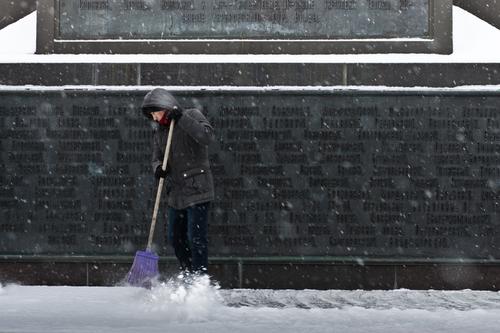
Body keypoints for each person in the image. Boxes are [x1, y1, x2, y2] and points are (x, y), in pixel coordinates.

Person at [141, 88, 215, 274]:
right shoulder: (160, 132)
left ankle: (199, 277)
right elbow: (156, 157)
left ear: (165, 105)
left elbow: (206, 136)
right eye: (151, 115)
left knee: (196, 238)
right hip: (176, 194)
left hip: (197, 190)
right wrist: (158, 168)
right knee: (175, 238)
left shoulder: (191, 114)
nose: (155, 118)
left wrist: (181, 117)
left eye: (156, 112)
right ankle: (188, 272)